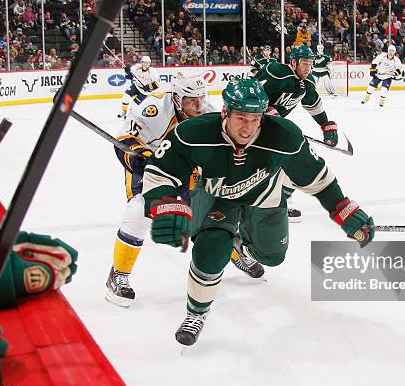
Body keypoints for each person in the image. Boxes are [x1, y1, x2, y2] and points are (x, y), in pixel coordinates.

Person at [140, 78, 374, 346]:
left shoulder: (284, 135)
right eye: (241, 118)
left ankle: (244, 243)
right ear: (225, 112)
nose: (248, 128)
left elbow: (317, 178)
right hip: (216, 196)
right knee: (211, 249)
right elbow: (160, 174)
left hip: (264, 196)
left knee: (271, 257)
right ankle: (196, 313)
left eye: (255, 119)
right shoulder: (192, 133)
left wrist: (344, 211)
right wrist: (165, 204)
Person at [106, 75, 208, 307]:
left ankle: (231, 249)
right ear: (177, 99)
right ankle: (118, 274)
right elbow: (124, 139)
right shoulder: (152, 110)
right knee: (140, 209)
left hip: (182, 161)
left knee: (208, 205)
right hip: (150, 161)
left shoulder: (206, 111)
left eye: (201, 99)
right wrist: (137, 156)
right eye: (192, 101)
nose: (199, 106)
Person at [255, 44, 340, 224]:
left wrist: (325, 124)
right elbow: (252, 91)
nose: (308, 68)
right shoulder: (276, 72)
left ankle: (279, 202)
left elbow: (312, 103)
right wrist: (264, 109)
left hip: (273, 129)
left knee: (294, 162)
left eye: (310, 64)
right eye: (304, 64)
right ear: (293, 62)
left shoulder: (307, 83)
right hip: (252, 126)